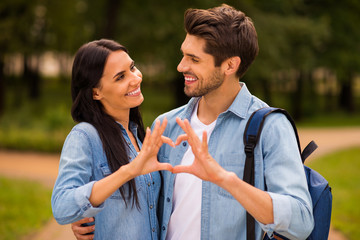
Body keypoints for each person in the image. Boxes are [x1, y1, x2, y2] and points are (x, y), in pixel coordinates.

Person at [72, 4, 314, 240]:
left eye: (193, 59)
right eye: (183, 55)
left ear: (230, 65)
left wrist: (224, 179)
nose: (181, 66)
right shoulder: (166, 124)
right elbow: (142, 199)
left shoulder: (270, 127)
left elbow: (301, 221)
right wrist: (88, 218)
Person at [51, 39, 174, 240]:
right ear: (96, 92)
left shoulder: (139, 136)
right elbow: (62, 206)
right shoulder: (84, 136)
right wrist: (128, 171)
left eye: (132, 67)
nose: (135, 78)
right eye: (120, 77)